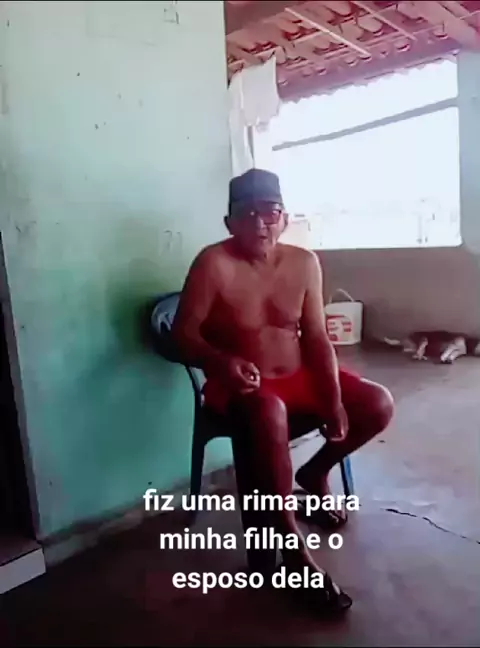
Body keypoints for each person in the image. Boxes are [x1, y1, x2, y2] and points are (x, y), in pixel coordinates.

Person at [172, 168, 394, 614]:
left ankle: (313, 474)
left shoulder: (304, 263)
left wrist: (331, 398)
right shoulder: (213, 264)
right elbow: (181, 335)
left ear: (285, 217)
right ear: (229, 222)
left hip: (298, 376)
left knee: (377, 404)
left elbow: (316, 336)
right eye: (247, 214)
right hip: (239, 384)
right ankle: (293, 551)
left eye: (270, 212)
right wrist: (220, 361)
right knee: (268, 413)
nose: (260, 224)